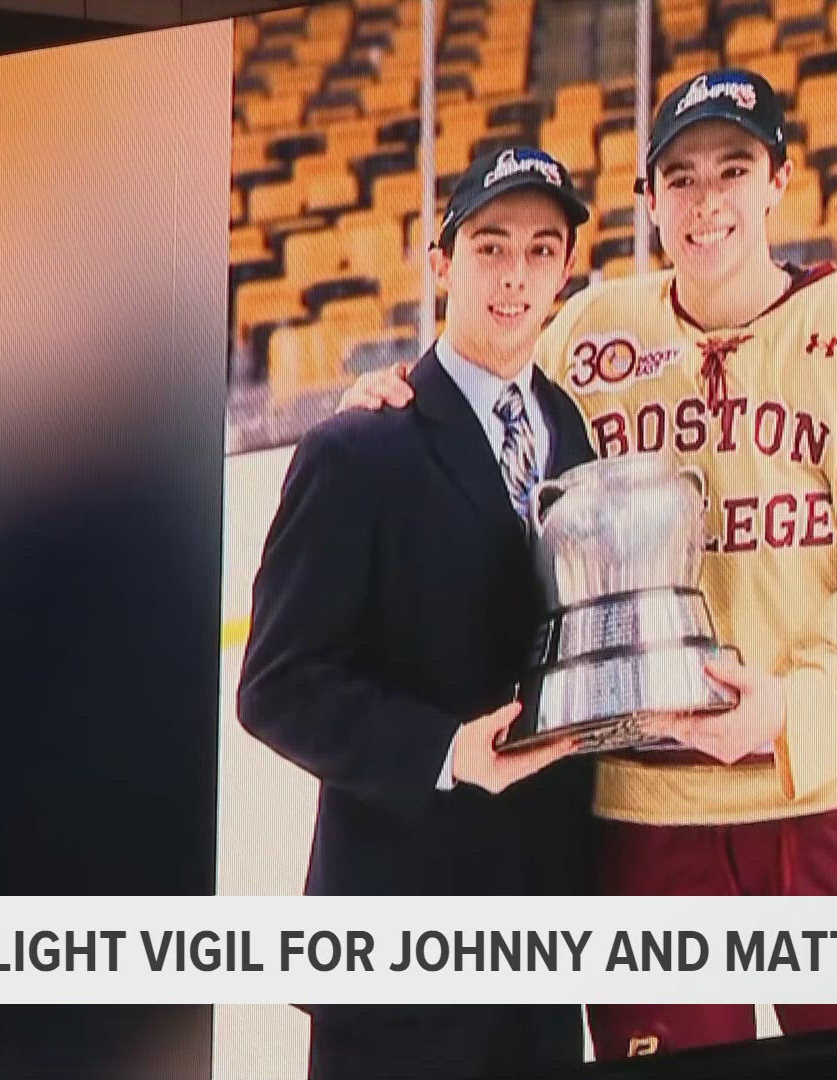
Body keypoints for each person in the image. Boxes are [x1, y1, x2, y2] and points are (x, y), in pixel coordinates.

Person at [340, 69, 837, 1058]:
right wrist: (395, 406)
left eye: (733, 169)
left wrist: (794, 709)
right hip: (649, 814)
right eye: (680, 176)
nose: (707, 200)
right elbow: (484, 416)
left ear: (778, 181)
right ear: (648, 200)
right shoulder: (594, 335)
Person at [238, 146, 598, 1079]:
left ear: (565, 270)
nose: (514, 276)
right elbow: (277, 687)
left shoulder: (570, 427)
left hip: (540, 943)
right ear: (441, 263)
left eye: (540, 250)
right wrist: (444, 753)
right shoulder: (357, 451)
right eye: (490, 247)